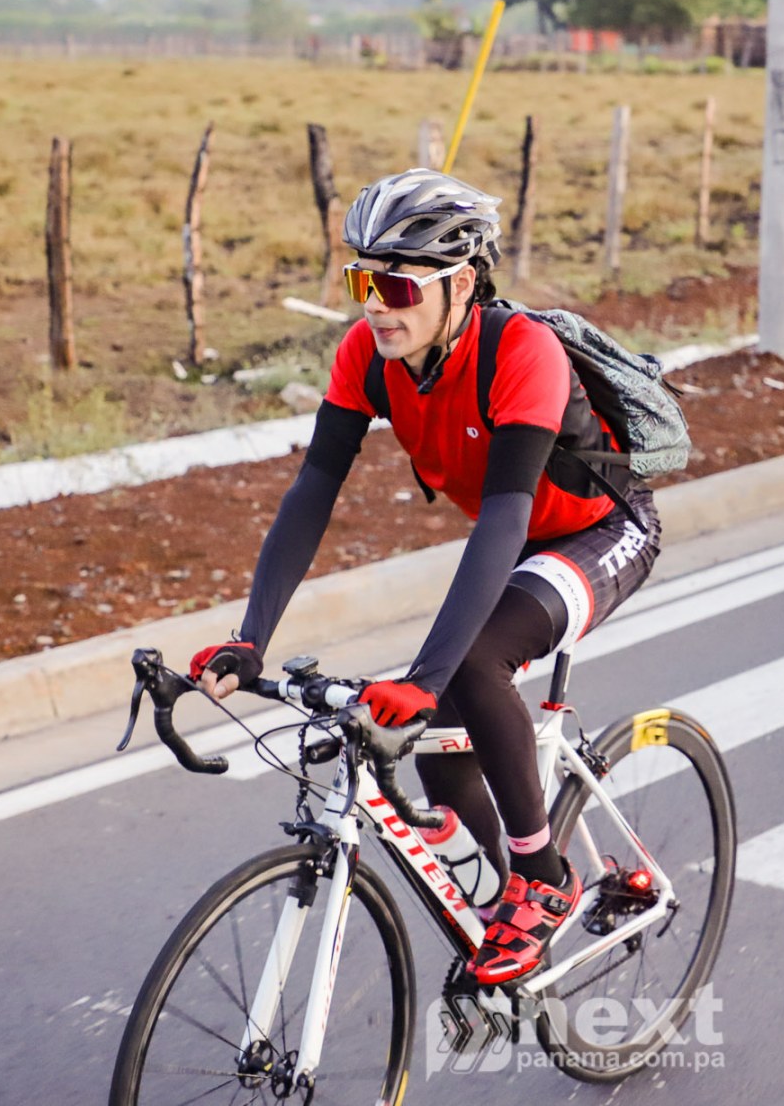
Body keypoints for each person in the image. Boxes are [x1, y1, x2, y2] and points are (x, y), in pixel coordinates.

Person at [190, 169, 661, 986]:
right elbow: (313, 491)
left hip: (602, 530)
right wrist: (250, 638)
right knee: (440, 756)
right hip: (521, 542)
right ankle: (507, 907)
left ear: (462, 284)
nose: (377, 306)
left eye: (400, 285)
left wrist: (429, 676)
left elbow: (504, 517)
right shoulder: (367, 356)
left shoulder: (522, 351)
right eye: (362, 282)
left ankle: (544, 878)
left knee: (472, 664)